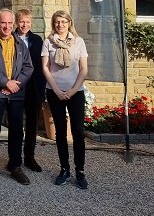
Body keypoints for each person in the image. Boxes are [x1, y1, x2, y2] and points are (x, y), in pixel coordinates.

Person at [0, 8, 34, 186]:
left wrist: (15, 85)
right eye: (3, 23)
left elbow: (28, 68)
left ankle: (15, 165)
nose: (7, 26)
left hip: (17, 95)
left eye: (10, 23)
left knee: (17, 131)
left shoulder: (20, 43)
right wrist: (5, 83)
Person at [41, 10, 89, 189]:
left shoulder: (79, 42)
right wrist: (57, 90)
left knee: (77, 132)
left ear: (69, 23)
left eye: (63, 21)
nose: (59, 25)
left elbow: (84, 69)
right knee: (60, 133)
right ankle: (64, 169)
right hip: (55, 91)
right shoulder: (48, 42)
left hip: (75, 92)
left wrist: (72, 90)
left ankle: (80, 171)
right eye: (56, 22)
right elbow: (45, 68)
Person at [15, 9, 47, 173]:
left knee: (32, 125)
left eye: (27, 21)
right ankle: (15, 159)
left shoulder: (37, 40)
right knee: (16, 125)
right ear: (16, 22)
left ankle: (29, 157)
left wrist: (42, 89)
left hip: (34, 88)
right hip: (16, 88)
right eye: (21, 21)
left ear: (31, 23)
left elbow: (43, 66)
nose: (24, 24)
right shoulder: (11, 39)